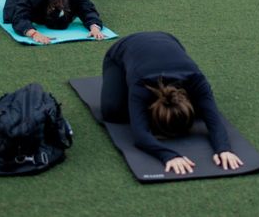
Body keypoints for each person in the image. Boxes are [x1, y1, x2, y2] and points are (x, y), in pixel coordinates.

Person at [100, 31, 243, 175]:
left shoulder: (197, 80)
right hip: (120, 51)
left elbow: (215, 122)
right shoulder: (141, 85)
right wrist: (168, 155)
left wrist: (224, 149)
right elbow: (140, 136)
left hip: (168, 39)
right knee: (113, 112)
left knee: (203, 108)